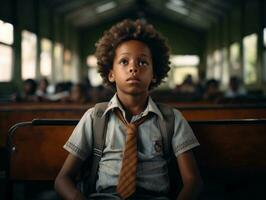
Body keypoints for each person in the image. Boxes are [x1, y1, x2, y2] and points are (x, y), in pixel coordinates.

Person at [54, 19, 203, 200]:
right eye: (124, 61)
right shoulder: (95, 118)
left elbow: (193, 180)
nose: (133, 67)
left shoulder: (172, 119)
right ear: (111, 73)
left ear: (154, 74)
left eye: (142, 62)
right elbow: (63, 179)